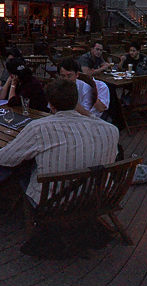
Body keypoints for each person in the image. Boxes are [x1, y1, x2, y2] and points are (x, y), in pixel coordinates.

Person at [0, 78, 119, 206]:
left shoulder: (39, 128)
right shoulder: (110, 129)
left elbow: (5, 158)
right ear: (76, 101)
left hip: (54, 204)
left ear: (50, 105)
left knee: (24, 166)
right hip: (96, 198)